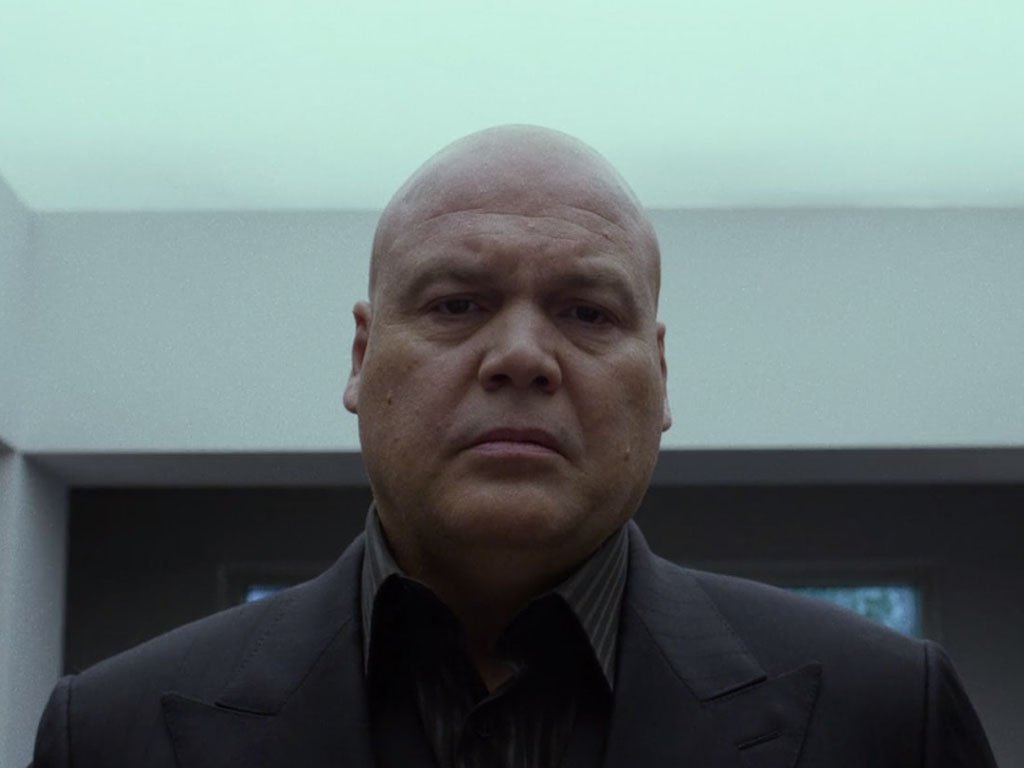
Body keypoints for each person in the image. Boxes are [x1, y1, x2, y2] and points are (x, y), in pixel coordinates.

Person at [30, 126, 997, 767]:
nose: (523, 357)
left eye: (587, 312)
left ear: (661, 379)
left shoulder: (884, 717)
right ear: (362, 358)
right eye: (458, 305)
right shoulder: (109, 734)